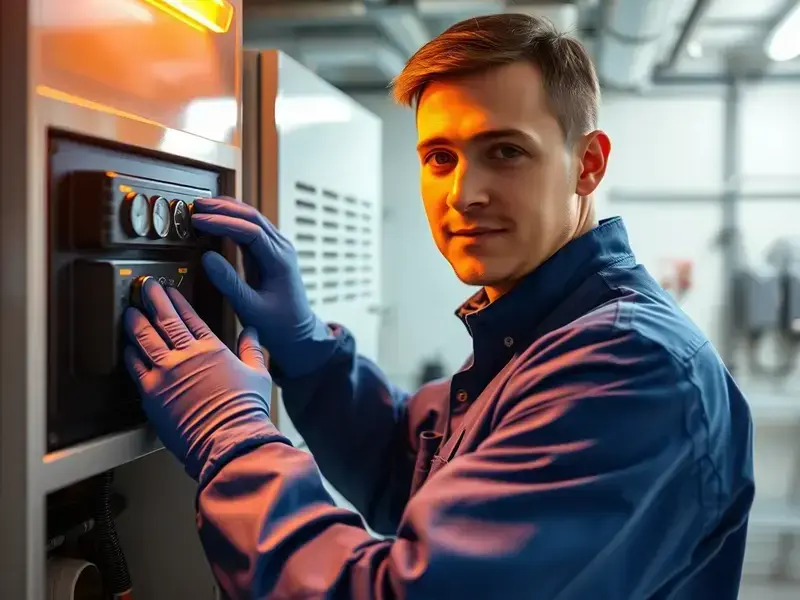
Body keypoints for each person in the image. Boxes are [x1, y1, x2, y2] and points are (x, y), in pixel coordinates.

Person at [122, 13, 755, 600]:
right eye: (439, 157)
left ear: (587, 163)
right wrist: (310, 353)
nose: (464, 194)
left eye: (504, 151)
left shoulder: (631, 365)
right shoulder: (536, 332)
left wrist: (231, 442)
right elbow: (409, 469)